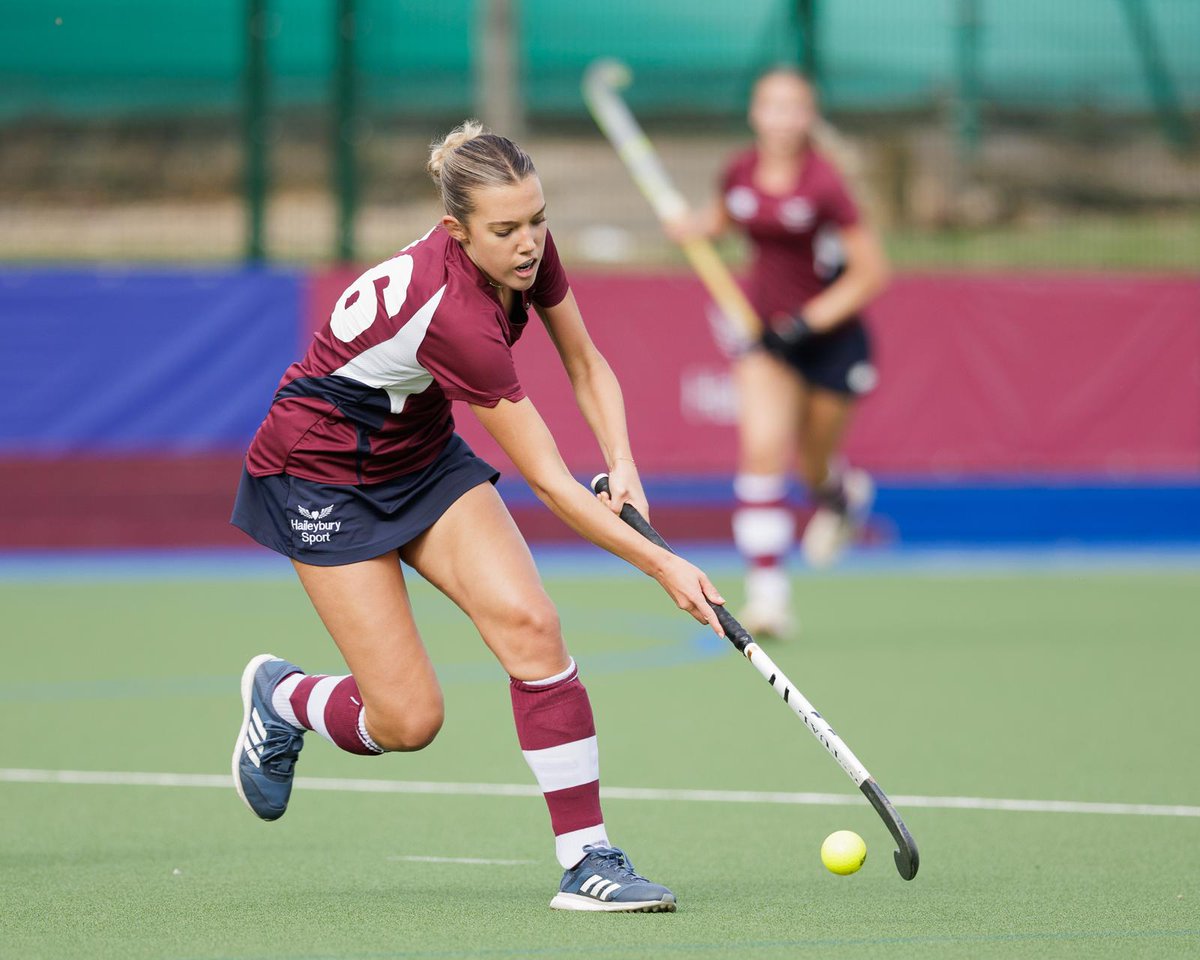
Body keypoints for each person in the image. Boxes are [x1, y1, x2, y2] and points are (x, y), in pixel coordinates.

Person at [229, 120, 727, 913]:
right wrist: (665, 565)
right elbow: (552, 483)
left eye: (537, 220)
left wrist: (624, 462)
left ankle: (587, 859)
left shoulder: (522, 250)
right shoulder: (454, 316)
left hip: (419, 455)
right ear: (457, 230)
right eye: (506, 230)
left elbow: (585, 362)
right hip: (320, 475)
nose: (528, 243)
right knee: (408, 720)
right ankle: (283, 697)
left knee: (532, 624)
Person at [668, 67, 890, 638]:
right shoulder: (740, 171)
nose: (782, 119)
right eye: (772, 106)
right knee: (763, 452)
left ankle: (840, 495)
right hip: (765, 340)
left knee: (814, 465)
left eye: (794, 108)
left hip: (831, 340)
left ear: (809, 117)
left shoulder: (825, 184)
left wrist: (804, 324)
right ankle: (768, 599)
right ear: (755, 113)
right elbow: (723, 220)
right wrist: (691, 227)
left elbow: (870, 273)